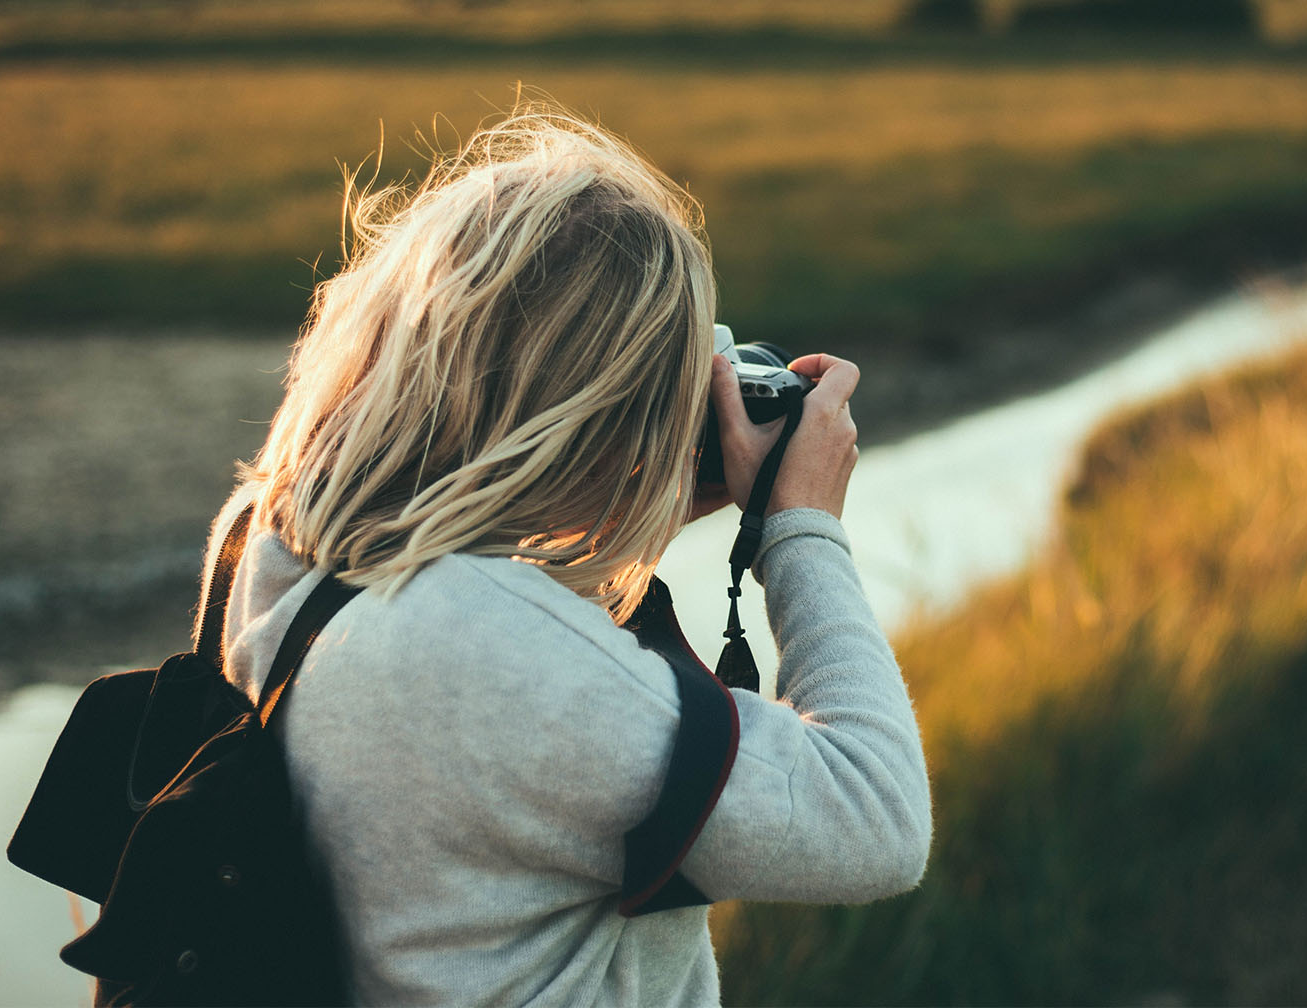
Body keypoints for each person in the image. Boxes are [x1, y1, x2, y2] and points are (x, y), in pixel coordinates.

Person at [205, 107, 931, 1005]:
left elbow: (495, 777)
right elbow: (876, 818)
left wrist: (628, 502)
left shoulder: (278, 546)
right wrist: (800, 526)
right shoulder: (483, 653)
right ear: (599, 400)